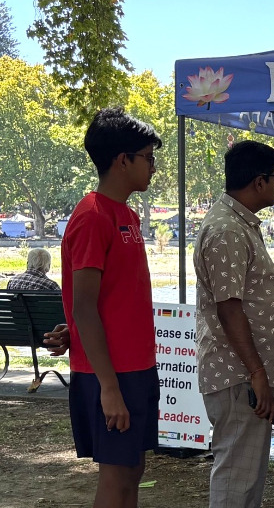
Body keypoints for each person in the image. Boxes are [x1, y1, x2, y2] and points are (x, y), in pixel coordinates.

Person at [60, 107, 162, 508]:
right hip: (111, 374)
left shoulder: (128, 215)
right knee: (117, 477)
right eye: (148, 158)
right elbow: (84, 306)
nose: (153, 167)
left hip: (137, 366)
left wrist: (69, 331)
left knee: (132, 471)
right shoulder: (92, 216)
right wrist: (109, 388)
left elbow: (105, 298)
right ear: (123, 160)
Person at [194, 140, 274, 508]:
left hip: (246, 373)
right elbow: (229, 308)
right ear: (259, 182)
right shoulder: (227, 230)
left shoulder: (239, 224)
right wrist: (256, 371)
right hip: (238, 375)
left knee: (247, 476)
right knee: (237, 478)